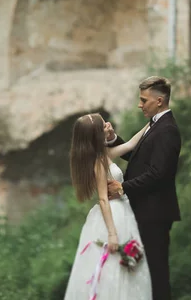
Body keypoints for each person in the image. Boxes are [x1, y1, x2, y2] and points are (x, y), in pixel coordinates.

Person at [106, 76, 182, 300]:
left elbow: (159, 173)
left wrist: (123, 187)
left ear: (159, 101)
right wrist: (113, 139)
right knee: (143, 271)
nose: (140, 105)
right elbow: (137, 156)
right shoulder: (155, 125)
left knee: (156, 272)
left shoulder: (167, 130)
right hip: (145, 210)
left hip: (155, 213)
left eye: (144, 100)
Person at [64, 113, 152, 300]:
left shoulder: (103, 156)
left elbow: (130, 144)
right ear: (96, 134)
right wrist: (112, 233)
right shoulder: (97, 163)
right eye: (103, 126)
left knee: (124, 267)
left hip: (123, 211)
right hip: (113, 215)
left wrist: (151, 122)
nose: (108, 126)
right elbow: (103, 199)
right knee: (112, 268)